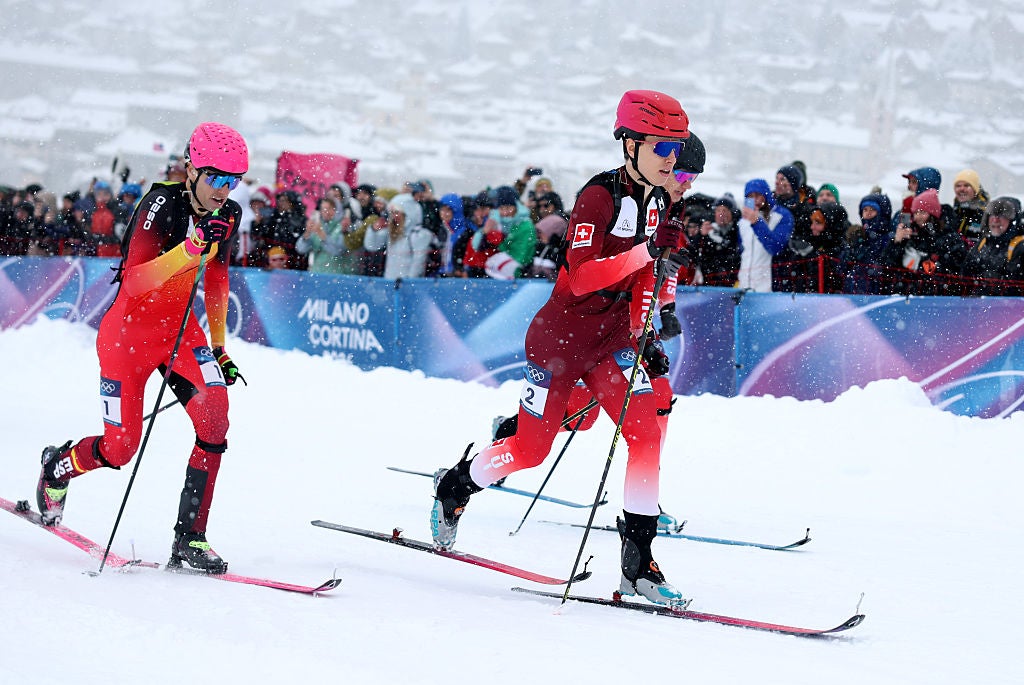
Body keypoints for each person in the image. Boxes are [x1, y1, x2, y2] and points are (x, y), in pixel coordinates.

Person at [430, 90, 690, 606]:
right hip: (563, 342)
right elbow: (581, 279)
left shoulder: (658, 200)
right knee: (530, 449)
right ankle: (455, 487)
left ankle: (638, 564)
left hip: (612, 341)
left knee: (645, 431)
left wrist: (642, 334)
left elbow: (643, 278)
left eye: (677, 150)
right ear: (630, 144)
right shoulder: (599, 197)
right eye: (663, 148)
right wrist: (644, 250)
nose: (672, 161)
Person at [34, 122, 249, 574]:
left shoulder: (227, 214)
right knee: (120, 447)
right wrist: (189, 249)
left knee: (215, 416)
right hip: (127, 336)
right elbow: (134, 282)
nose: (223, 191)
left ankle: (190, 536)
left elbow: (217, 277)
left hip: (179, 334)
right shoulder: (161, 205)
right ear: (191, 169)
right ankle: (58, 466)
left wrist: (220, 346)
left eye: (234, 182)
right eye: (215, 178)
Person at [882, 188, 967, 295]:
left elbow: (954, 271)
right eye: (916, 213)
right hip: (908, 298)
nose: (918, 217)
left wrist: (921, 264)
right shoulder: (911, 236)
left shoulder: (950, 238)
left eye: (922, 212)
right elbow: (886, 267)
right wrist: (896, 242)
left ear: (933, 214)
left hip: (937, 300)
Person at [736, 178, 794, 291]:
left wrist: (757, 222)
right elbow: (742, 252)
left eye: (757, 195)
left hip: (771, 288)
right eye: (750, 197)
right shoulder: (743, 221)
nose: (754, 200)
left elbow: (775, 247)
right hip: (745, 287)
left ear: (766, 195)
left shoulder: (782, 215)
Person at [960, 196, 1024, 296]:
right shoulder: (984, 242)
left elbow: (1015, 283)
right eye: (992, 214)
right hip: (977, 304)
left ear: (1012, 220)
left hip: (1008, 307)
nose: (995, 219)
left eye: (1002, 215)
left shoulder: (1019, 246)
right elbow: (966, 272)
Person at [363, 192, 434, 279]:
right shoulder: (391, 232)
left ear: (408, 214)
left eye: (397, 212)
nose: (394, 216)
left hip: (407, 285)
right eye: (392, 212)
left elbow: (418, 262)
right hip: (390, 282)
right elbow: (372, 246)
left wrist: (408, 281)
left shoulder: (418, 235)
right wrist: (373, 230)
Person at [950, 169, 989, 248]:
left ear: (975, 189)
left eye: (967, 185)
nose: (962, 189)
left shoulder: (986, 214)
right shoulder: (953, 211)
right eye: (958, 186)